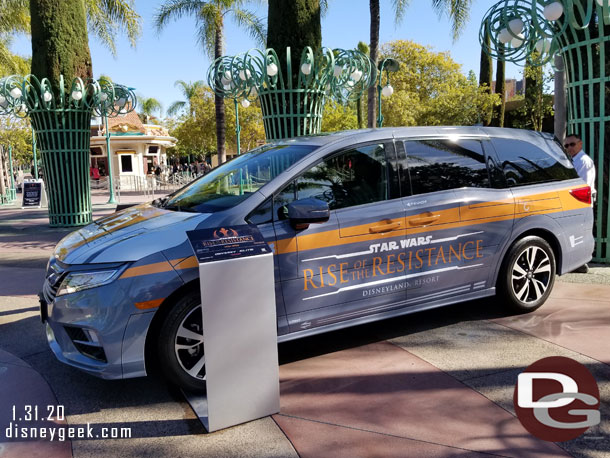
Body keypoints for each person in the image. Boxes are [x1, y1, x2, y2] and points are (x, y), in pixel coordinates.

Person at [565, 133, 596, 273]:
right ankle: (577, 263)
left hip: (580, 203)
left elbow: (584, 185)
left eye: (572, 144)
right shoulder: (574, 160)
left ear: (580, 144)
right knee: (575, 233)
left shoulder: (583, 161)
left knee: (580, 233)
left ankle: (582, 263)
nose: (569, 148)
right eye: (566, 145)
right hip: (575, 202)